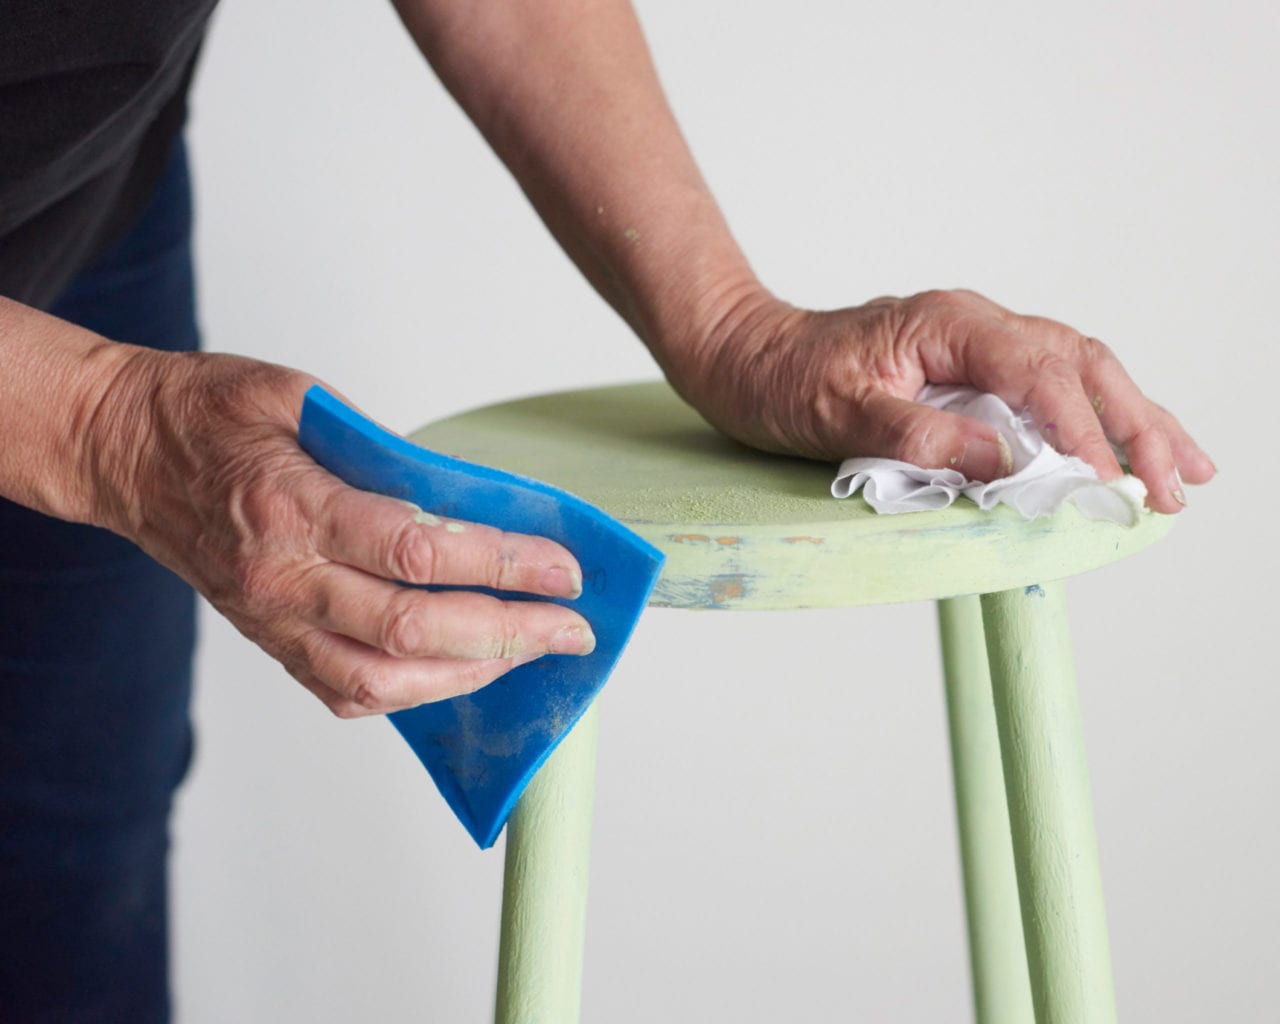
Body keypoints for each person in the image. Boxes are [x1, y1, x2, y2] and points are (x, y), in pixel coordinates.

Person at [0, 1, 1214, 1020]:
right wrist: (107, 425)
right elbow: (109, 424)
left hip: (78, 205)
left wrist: (730, 327)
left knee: (67, 846)